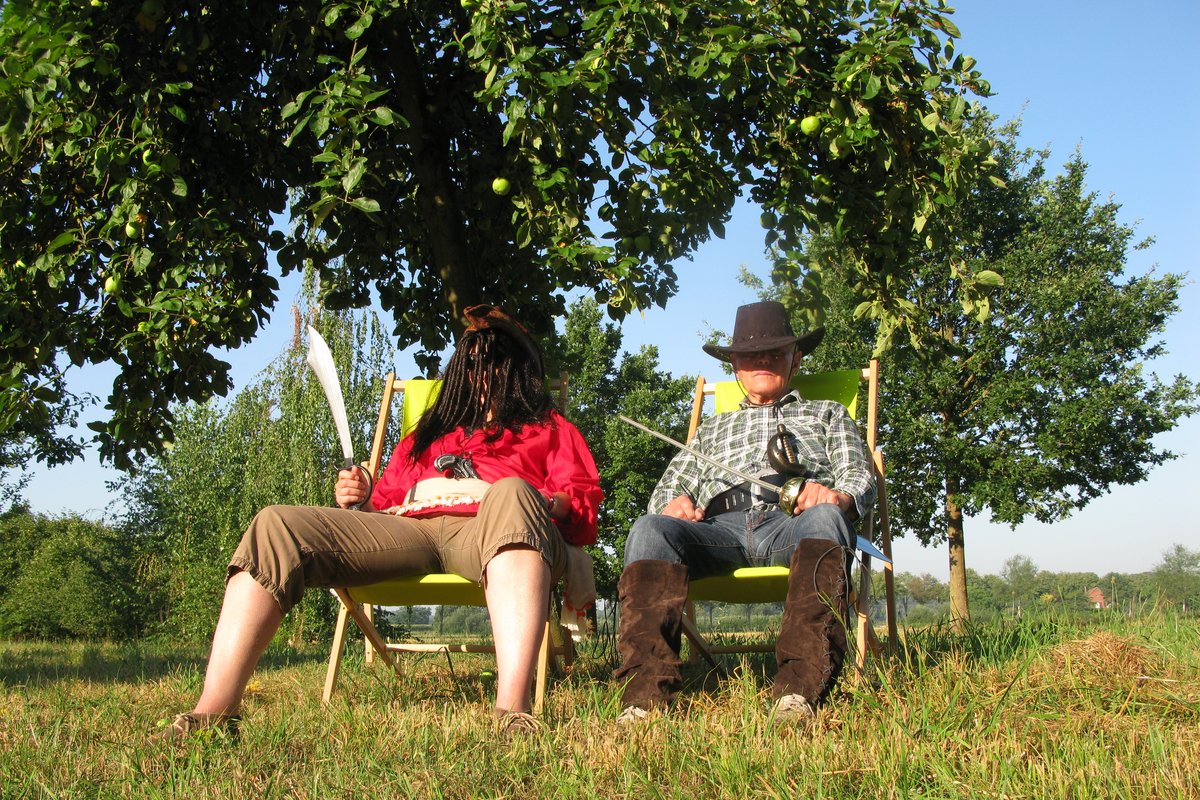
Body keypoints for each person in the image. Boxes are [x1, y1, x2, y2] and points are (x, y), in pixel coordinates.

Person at [152, 304, 602, 741]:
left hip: (497, 528)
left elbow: (583, 511)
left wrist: (548, 501)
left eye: (495, 365)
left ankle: (512, 712)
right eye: (472, 365)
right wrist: (359, 497)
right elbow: (381, 509)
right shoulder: (425, 437)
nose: (481, 375)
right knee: (276, 526)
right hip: (412, 526)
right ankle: (213, 712)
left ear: (518, 371)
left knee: (513, 492)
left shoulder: (551, 429)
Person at [612, 300, 875, 722]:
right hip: (718, 530)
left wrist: (836, 497)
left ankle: (799, 694)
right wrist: (672, 503)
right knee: (649, 529)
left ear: (796, 359)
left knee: (828, 519)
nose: (763, 360)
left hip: (794, 522)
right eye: (751, 355)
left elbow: (859, 475)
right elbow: (668, 487)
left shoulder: (828, 413)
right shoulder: (713, 428)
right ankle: (645, 698)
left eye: (776, 352)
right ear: (735, 365)